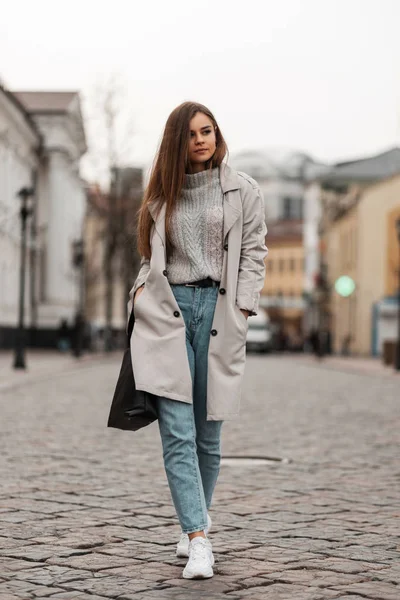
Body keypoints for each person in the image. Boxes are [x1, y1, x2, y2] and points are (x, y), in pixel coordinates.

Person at [129, 101, 268, 579]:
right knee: (178, 430)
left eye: (207, 131)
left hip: (219, 312)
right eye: (191, 135)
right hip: (169, 314)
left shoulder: (243, 191)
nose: (202, 140)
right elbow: (149, 260)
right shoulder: (159, 198)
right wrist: (139, 293)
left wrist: (244, 306)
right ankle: (198, 538)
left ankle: (195, 522)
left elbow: (254, 251)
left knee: (209, 433)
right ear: (177, 143)